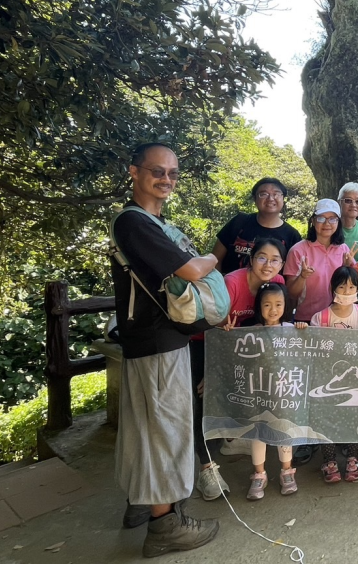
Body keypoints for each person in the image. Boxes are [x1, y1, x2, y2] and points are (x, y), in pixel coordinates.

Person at [109, 143, 218, 557]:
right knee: (164, 431)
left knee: (148, 428)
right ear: (134, 171)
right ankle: (165, 524)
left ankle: (144, 503)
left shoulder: (150, 221)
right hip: (156, 342)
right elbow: (189, 269)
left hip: (153, 340)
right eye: (157, 171)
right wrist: (208, 257)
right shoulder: (135, 223)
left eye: (173, 173)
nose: (166, 179)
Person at [192, 238, 286, 502]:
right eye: (262, 257)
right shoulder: (232, 283)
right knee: (207, 399)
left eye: (275, 259)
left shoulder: (275, 286)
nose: (268, 264)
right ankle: (206, 468)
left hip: (241, 349)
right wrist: (212, 374)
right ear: (250, 259)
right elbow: (209, 325)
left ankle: (232, 440)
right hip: (206, 343)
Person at [297, 266, 358, 483]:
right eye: (342, 286)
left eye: (352, 287)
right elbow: (311, 349)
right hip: (326, 379)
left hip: (355, 377)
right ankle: (329, 461)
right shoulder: (320, 318)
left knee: (353, 417)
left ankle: (352, 458)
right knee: (326, 419)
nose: (347, 291)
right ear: (333, 289)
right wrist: (303, 332)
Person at [245, 283, 298, 499]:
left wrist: (302, 331)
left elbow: (302, 354)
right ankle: (259, 474)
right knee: (257, 432)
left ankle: (287, 471)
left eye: (278, 304)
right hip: (258, 390)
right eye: (267, 304)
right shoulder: (253, 331)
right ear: (259, 306)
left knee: (284, 429)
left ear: (285, 306)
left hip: (283, 391)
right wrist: (229, 334)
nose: (273, 309)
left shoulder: (290, 330)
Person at [283, 199, 357, 324]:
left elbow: (352, 286)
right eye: (321, 218)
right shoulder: (298, 250)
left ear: (338, 222)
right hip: (305, 319)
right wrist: (302, 277)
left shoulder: (344, 249)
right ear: (313, 221)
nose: (327, 223)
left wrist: (347, 267)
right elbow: (291, 293)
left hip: (337, 317)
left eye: (332, 219)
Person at [212, 177, 302, 275]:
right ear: (255, 199)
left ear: (283, 199)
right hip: (228, 288)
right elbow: (215, 259)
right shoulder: (239, 222)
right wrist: (219, 287)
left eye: (276, 194)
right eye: (263, 194)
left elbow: (292, 275)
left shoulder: (292, 235)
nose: (270, 198)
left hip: (271, 289)